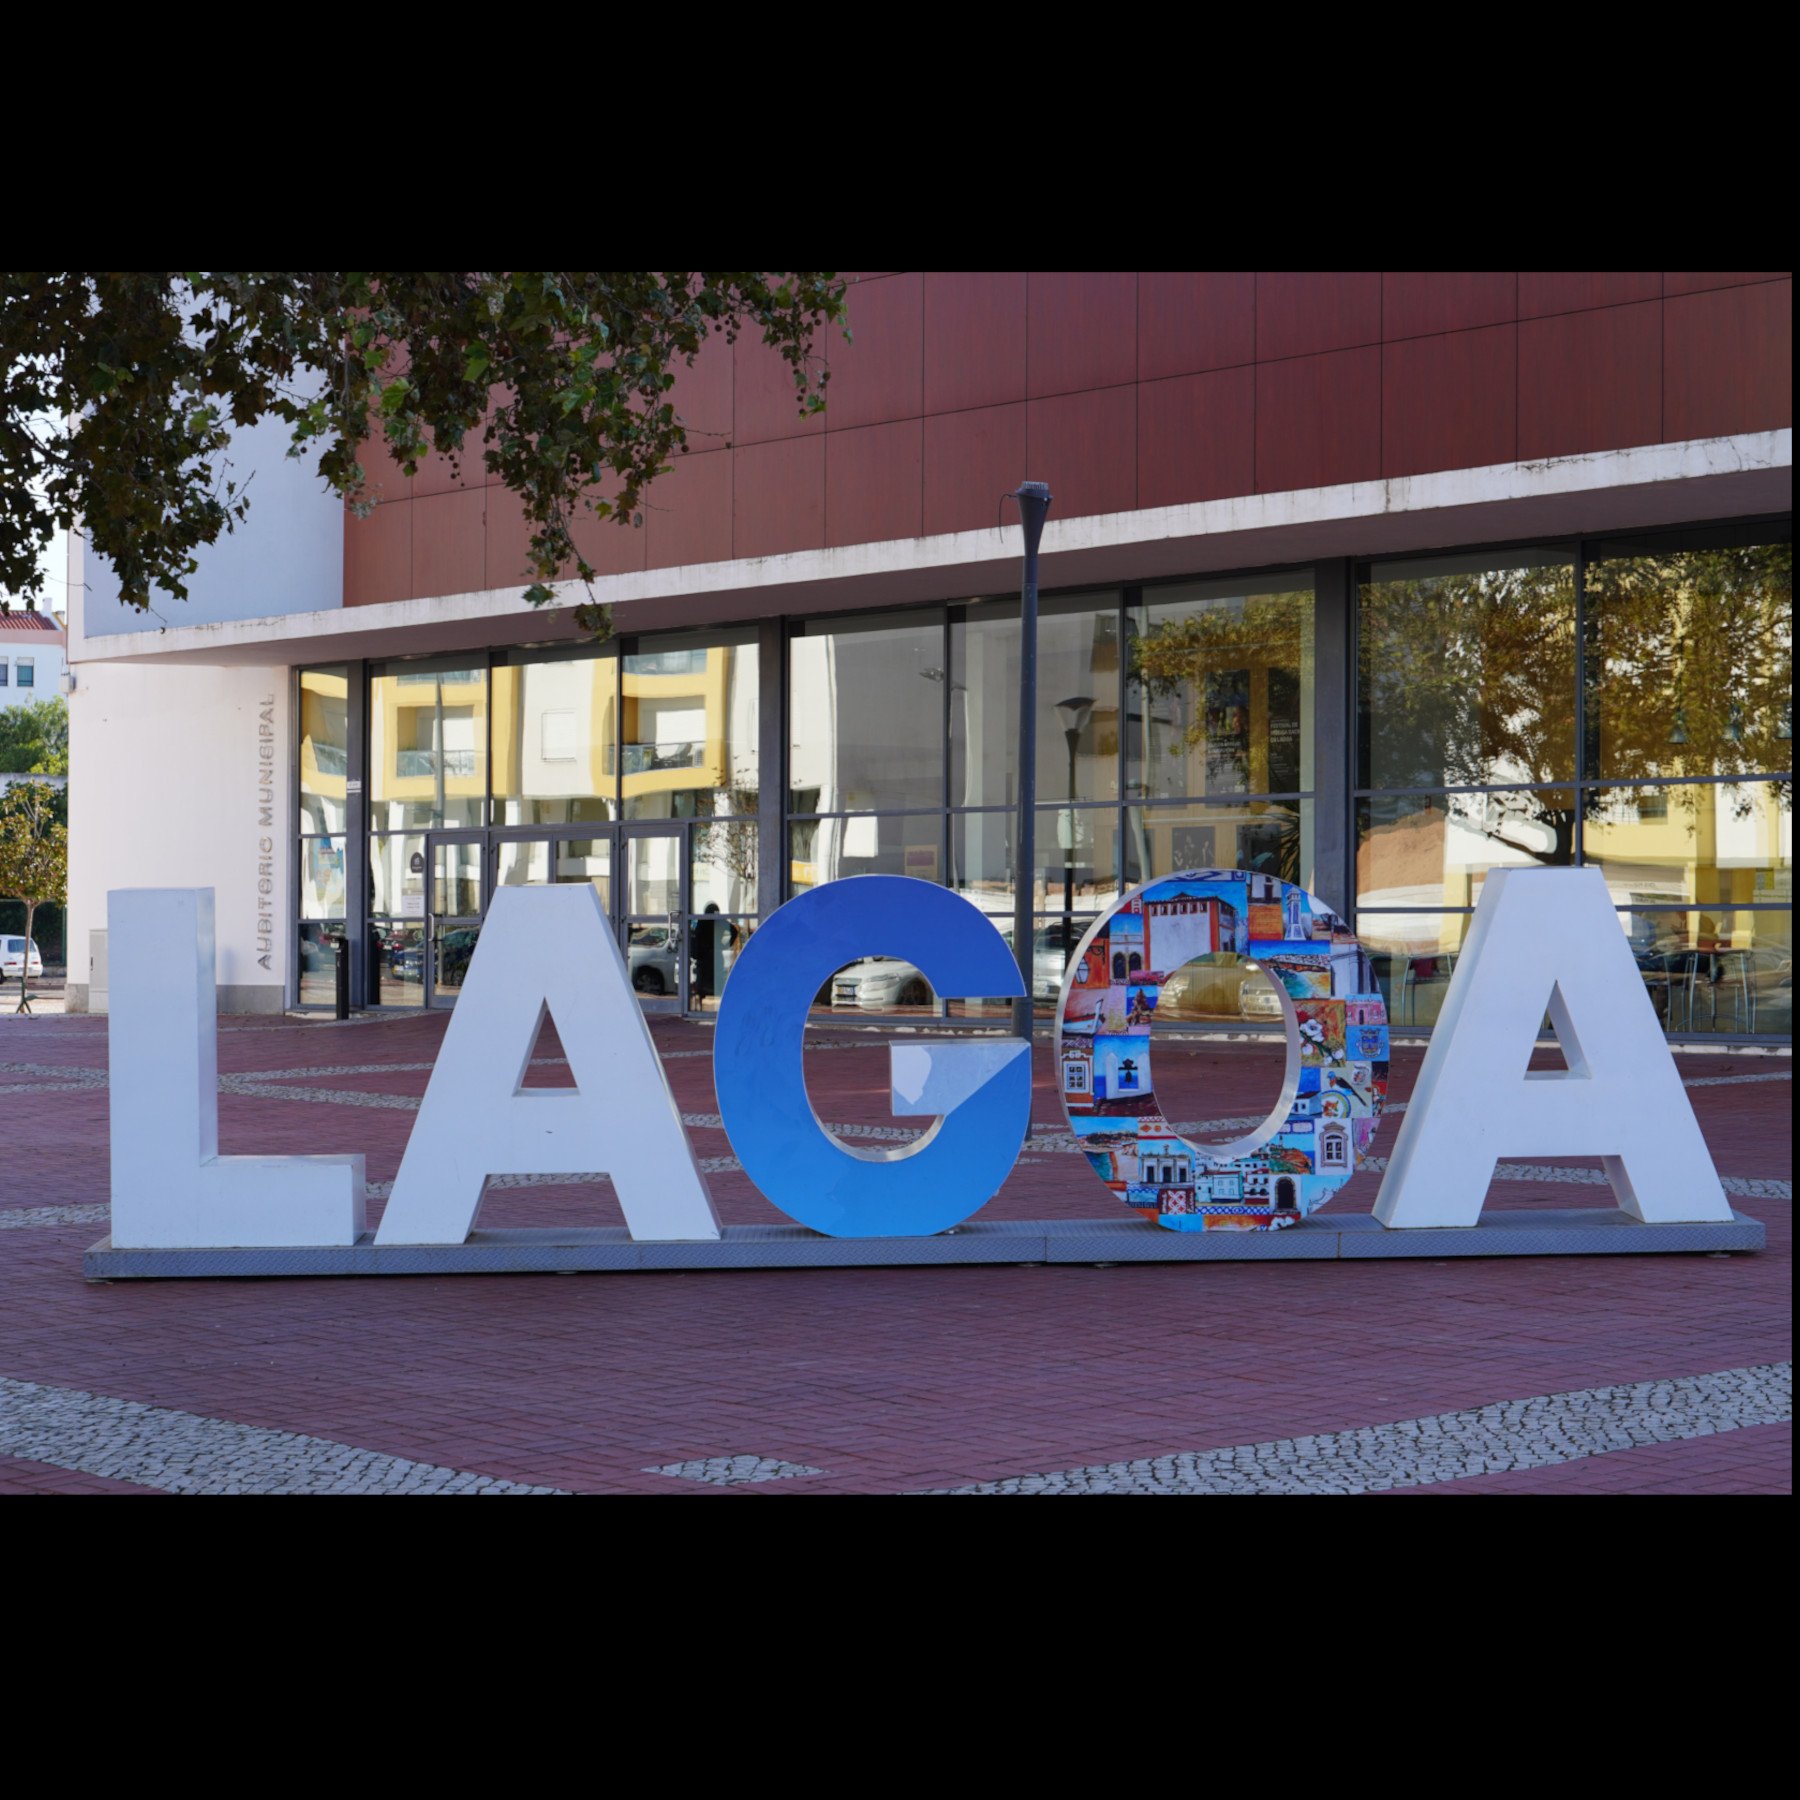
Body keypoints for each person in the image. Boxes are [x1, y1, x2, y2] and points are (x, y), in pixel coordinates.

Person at [689, 902, 740, 1003]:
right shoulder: (719, 922)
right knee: (716, 979)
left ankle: (700, 1001)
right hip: (714, 955)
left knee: (703, 981)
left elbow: (695, 937)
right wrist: (723, 945)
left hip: (704, 956)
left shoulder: (702, 922)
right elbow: (734, 930)